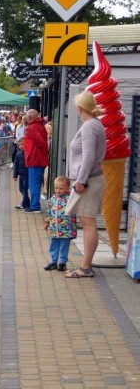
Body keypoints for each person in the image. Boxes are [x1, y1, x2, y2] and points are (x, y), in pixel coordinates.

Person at [65, 91, 106, 278]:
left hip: (88, 180)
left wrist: (81, 180)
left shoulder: (89, 126)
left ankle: (86, 266)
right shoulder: (95, 124)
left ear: (79, 107)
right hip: (91, 178)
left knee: (88, 222)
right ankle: (86, 264)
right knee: (87, 221)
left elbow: (88, 156)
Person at [43, 176, 76, 272]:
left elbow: (75, 210)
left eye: (61, 188)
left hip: (65, 229)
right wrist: (47, 222)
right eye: (56, 188)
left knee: (64, 245)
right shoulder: (53, 199)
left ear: (67, 188)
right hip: (54, 228)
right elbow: (49, 211)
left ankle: (62, 262)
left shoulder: (69, 199)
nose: (58, 190)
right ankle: (53, 261)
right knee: (53, 244)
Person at [23, 109, 49, 213]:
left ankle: (35, 206)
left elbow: (40, 142)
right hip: (36, 158)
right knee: (35, 182)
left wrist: (44, 152)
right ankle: (34, 204)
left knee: (34, 183)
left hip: (35, 158)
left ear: (29, 117)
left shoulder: (33, 127)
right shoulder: (38, 126)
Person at [13, 138, 30, 210]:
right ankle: (27, 202)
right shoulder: (18, 154)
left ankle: (23, 203)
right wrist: (15, 175)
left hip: (27, 174)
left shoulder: (28, 153)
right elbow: (16, 165)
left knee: (24, 189)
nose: (21, 146)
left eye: (22, 144)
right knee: (21, 189)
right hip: (21, 174)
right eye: (19, 145)